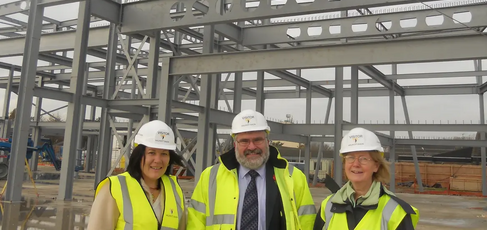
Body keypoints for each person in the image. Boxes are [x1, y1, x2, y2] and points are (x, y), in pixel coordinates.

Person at [187, 109, 316, 230]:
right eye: (244, 141)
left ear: (267, 142)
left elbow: (307, 223)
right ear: (235, 145)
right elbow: (196, 223)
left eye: (257, 140)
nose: (252, 147)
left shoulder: (294, 177)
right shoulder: (210, 178)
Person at [314, 127, 419, 230]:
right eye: (350, 157)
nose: (356, 164)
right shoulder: (328, 206)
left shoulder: (396, 212)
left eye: (363, 158)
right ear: (344, 163)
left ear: (376, 165)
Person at [88, 120, 186, 230]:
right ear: (139, 155)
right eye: (151, 152)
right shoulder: (115, 188)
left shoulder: (174, 188)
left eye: (164, 153)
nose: (158, 160)